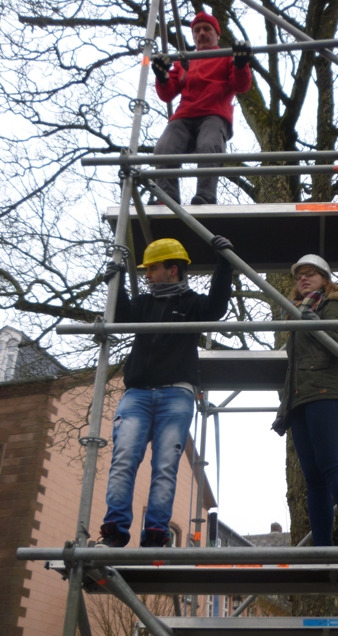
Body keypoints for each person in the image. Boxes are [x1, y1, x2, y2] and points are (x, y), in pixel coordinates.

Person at [97, 235, 234, 548]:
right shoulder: (144, 304)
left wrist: (224, 264)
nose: (146, 275)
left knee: (164, 466)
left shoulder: (192, 304)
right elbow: (122, 318)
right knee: (124, 459)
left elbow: (216, 307)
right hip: (138, 394)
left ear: (172, 270)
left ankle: (156, 535)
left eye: (152, 268)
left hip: (176, 394)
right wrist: (115, 284)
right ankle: (115, 531)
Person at [272, 254, 338, 546]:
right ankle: (322, 548)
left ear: (325, 279)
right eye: (299, 275)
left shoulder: (335, 304)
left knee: (332, 466)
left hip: (327, 392)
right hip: (301, 398)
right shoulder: (296, 312)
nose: (303, 279)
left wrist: (314, 324)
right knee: (312, 479)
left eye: (310, 274)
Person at [150, 11, 252, 205]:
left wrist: (240, 64)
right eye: (196, 30)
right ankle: (166, 197)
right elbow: (168, 93)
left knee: (209, 146)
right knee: (164, 148)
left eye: (207, 29)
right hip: (184, 116)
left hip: (213, 114)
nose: (201, 33)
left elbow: (241, 85)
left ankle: (206, 196)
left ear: (217, 35)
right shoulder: (185, 61)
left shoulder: (224, 56)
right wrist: (162, 76)